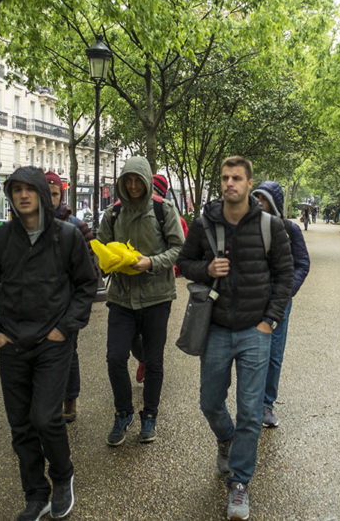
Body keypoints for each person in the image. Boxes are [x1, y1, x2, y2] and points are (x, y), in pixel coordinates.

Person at [0, 166, 98, 521]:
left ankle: (62, 477)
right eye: (16, 190)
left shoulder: (68, 237)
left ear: (43, 194)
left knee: (45, 417)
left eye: (30, 189)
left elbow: (86, 286)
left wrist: (65, 329)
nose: (23, 196)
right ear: (10, 197)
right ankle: (35, 494)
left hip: (52, 343)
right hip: (11, 345)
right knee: (21, 426)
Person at [176, 156, 294, 521]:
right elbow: (183, 263)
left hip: (254, 332)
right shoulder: (203, 223)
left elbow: (284, 276)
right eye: (225, 177)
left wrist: (269, 322)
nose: (230, 183)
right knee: (210, 401)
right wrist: (207, 268)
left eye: (237, 178)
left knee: (250, 410)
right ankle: (225, 438)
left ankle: (239, 483)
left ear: (249, 183)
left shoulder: (271, 227)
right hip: (215, 329)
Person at [98, 157, 185, 447]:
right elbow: (100, 249)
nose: (133, 186)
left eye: (138, 180)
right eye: (128, 181)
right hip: (121, 298)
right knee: (114, 358)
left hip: (156, 297)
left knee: (153, 360)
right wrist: (107, 262)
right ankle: (123, 413)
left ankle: (150, 415)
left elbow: (178, 249)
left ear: (147, 181)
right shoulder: (112, 214)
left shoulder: (163, 210)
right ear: (122, 183)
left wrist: (151, 262)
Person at [252, 180, 310, 429]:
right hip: (251, 301)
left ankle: (266, 405)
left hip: (279, 302)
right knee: (251, 354)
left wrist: (288, 291)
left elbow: (302, 263)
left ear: (273, 202)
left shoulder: (290, 230)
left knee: (274, 354)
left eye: (263, 199)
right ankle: (250, 405)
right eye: (256, 198)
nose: (258, 203)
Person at [43, 172, 94, 424]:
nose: (50, 198)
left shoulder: (75, 225)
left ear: (60, 195)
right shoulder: (29, 224)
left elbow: (93, 263)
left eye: (54, 193)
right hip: (40, 304)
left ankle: (69, 400)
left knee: (68, 351)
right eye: (46, 192)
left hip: (67, 303)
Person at [131, 173, 189, 385]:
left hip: (159, 286)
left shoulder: (172, 216)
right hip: (131, 285)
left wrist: (168, 267)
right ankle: (144, 358)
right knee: (131, 335)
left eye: (154, 191)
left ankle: (149, 363)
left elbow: (180, 251)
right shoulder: (130, 212)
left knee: (152, 333)